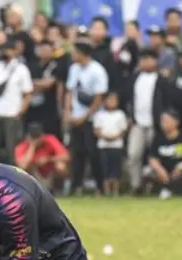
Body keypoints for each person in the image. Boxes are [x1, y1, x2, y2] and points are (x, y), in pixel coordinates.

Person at [124, 49, 170, 193]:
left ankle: (157, 184)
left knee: (156, 156)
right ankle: (135, 185)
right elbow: (129, 98)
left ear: (155, 61)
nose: (144, 62)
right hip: (138, 123)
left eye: (148, 59)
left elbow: (167, 101)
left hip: (155, 124)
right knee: (133, 155)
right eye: (142, 60)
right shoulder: (134, 78)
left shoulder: (162, 80)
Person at [65, 41, 108, 195]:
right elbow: (70, 91)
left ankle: (100, 186)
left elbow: (99, 97)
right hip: (75, 117)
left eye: (75, 52)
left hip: (91, 119)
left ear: (83, 53)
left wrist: (85, 116)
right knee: (77, 153)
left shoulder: (97, 71)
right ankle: (76, 186)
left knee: (93, 152)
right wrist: (68, 111)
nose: (73, 55)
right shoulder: (74, 68)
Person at [0, 40, 33, 165]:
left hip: (12, 112)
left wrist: (21, 111)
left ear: (14, 51)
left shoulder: (21, 69)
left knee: (11, 148)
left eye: (7, 49)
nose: (5, 52)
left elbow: (28, 93)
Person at [14, 122, 69, 191]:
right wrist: (32, 146)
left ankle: (59, 188)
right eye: (34, 137)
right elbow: (22, 166)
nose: (37, 140)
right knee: (23, 170)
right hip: (35, 174)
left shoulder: (50, 139)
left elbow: (66, 156)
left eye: (38, 137)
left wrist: (48, 159)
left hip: (49, 171)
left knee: (61, 165)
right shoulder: (22, 146)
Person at [93, 92, 128, 196]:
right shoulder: (100, 115)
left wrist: (115, 137)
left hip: (117, 146)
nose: (112, 102)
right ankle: (106, 191)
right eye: (110, 100)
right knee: (105, 169)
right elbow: (96, 129)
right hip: (103, 146)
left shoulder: (120, 114)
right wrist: (105, 137)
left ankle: (116, 191)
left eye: (114, 100)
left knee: (116, 169)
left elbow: (123, 129)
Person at [26, 40, 62, 139]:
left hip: (49, 106)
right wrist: (38, 84)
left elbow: (49, 83)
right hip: (31, 105)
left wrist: (34, 83)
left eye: (47, 50)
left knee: (48, 133)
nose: (44, 52)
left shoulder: (55, 65)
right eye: (43, 49)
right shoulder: (32, 65)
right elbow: (26, 83)